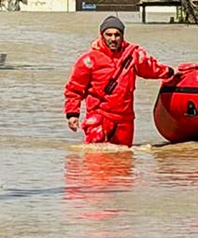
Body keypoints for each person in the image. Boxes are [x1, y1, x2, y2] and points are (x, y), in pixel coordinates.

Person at [64, 15, 176, 147]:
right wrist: (72, 115)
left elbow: (151, 69)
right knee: (95, 161)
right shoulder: (88, 60)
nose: (113, 39)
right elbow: (74, 89)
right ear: (102, 35)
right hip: (100, 117)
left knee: (124, 161)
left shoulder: (133, 55)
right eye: (109, 34)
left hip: (125, 120)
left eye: (117, 35)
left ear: (122, 36)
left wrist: (171, 72)